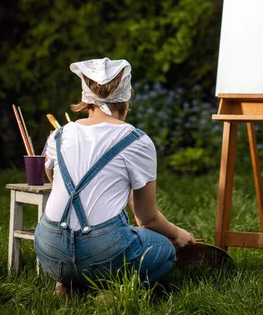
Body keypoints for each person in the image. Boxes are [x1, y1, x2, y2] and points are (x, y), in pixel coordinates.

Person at [34, 57, 195, 295]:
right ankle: (113, 291)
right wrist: (178, 234)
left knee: (84, 246)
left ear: (85, 97)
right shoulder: (136, 140)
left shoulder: (59, 135)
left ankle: (67, 283)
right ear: (126, 97)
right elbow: (147, 219)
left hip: (49, 249)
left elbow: (52, 178)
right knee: (164, 250)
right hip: (101, 250)